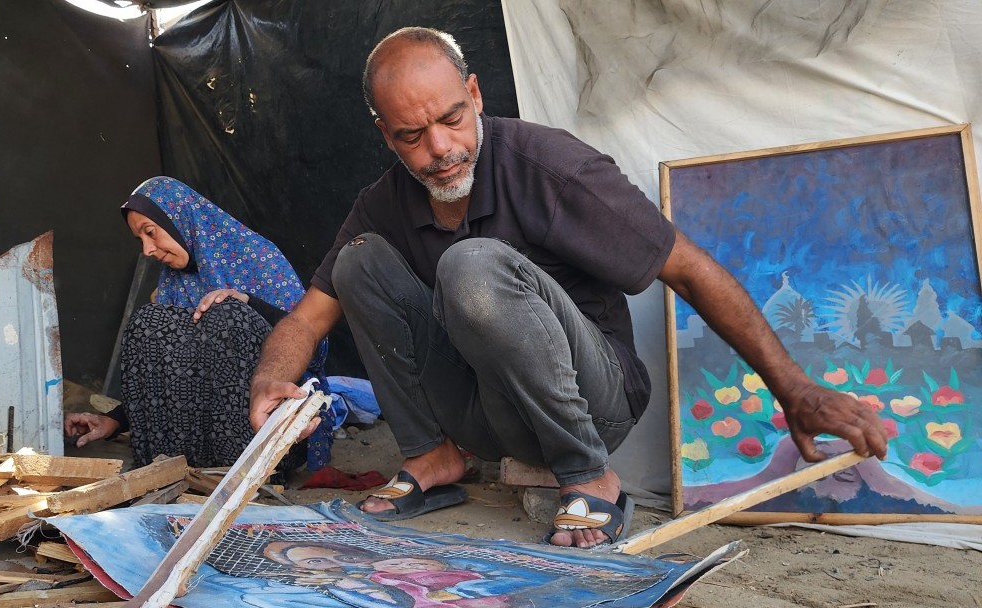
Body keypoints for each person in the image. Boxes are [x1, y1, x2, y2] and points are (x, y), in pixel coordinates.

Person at [248, 27, 888, 548]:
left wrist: (796, 390)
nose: (441, 149)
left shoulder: (550, 166)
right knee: (359, 262)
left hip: (592, 398)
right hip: (485, 412)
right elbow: (307, 319)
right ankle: (434, 457)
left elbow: (690, 268)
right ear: (386, 136)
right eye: (412, 137)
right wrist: (270, 381)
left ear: (474, 94)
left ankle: (591, 477)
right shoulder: (383, 202)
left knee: (470, 265)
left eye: (451, 119)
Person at [66, 176, 332, 470]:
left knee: (225, 313)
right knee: (148, 322)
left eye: (151, 232)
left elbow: (316, 347)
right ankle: (165, 467)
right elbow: (172, 374)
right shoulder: (170, 287)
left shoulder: (256, 256)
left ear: (181, 218)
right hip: (195, 447)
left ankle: (246, 471)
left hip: (269, 432)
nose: (147, 250)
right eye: (140, 240)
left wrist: (246, 302)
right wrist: (113, 421)